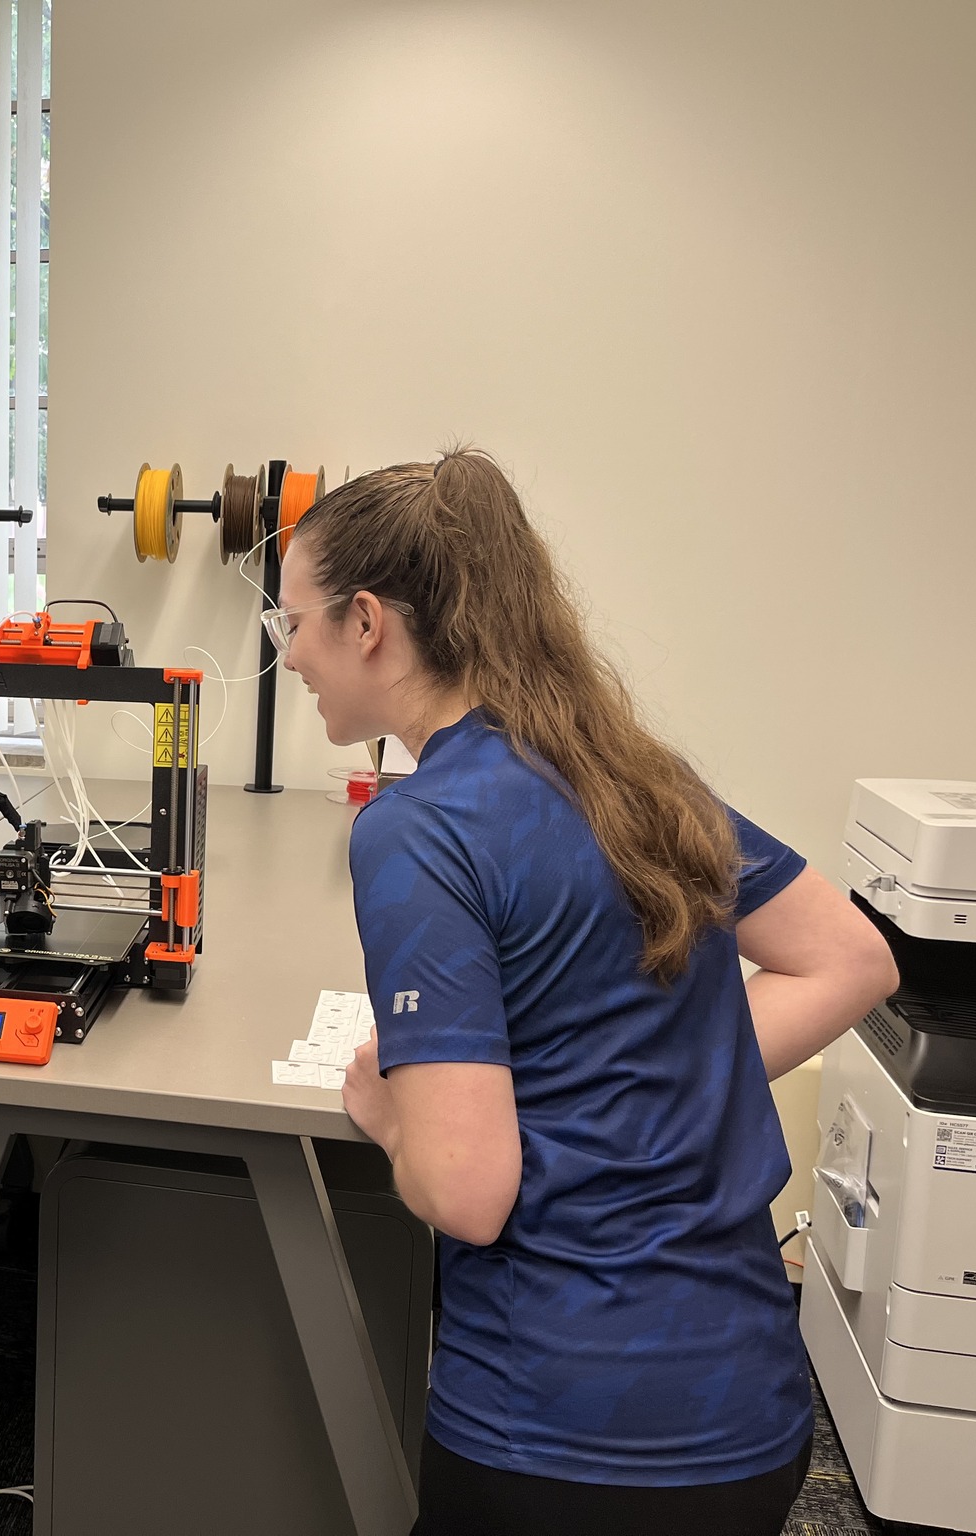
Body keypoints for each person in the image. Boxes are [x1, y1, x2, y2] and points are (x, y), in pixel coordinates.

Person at [271, 449, 898, 1536]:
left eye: (295, 627)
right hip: (752, 1417)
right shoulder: (627, 774)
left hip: (560, 1443)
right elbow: (852, 960)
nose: (291, 660)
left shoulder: (416, 832)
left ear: (365, 622)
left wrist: (386, 1116)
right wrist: (654, 1076)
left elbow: (466, 1193)